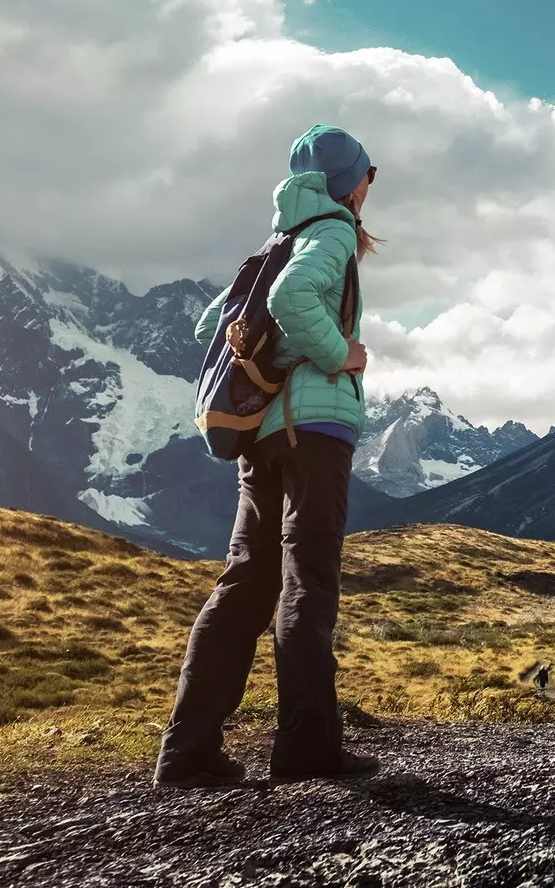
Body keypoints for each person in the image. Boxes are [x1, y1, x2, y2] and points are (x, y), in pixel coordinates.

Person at [153, 124, 381, 788]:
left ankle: (187, 750)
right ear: (348, 181)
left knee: (247, 581)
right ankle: (307, 745)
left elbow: (212, 325)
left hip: (261, 434)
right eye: (371, 173)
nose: (371, 185)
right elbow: (288, 300)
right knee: (308, 575)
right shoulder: (333, 230)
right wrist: (340, 354)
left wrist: (272, 348)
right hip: (315, 428)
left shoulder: (275, 240)